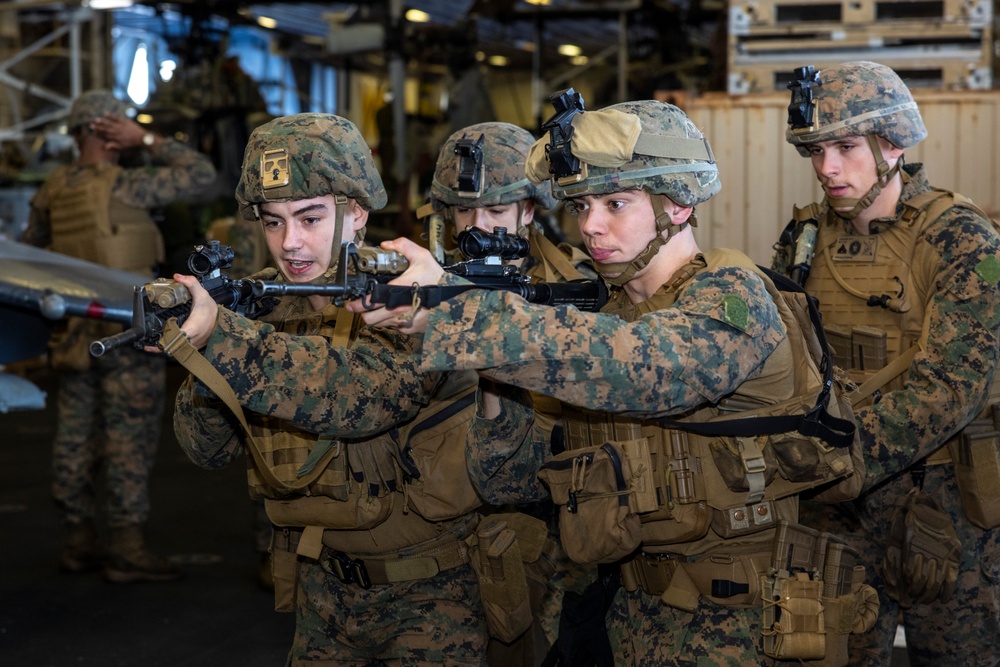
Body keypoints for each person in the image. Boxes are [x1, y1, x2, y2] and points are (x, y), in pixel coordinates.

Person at [353, 99, 874, 665]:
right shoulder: (611, 314)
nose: (591, 225)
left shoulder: (733, 295)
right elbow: (512, 480)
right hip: (633, 617)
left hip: (744, 626)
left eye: (616, 203)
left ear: (675, 205)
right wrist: (493, 385)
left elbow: (647, 371)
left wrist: (462, 319)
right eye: (582, 205)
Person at [169, 113, 491, 665]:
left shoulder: (411, 300)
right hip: (322, 594)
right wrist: (195, 350)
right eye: (272, 222)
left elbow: (358, 397)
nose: (290, 243)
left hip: (431, 599)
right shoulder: (267, 309)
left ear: (357, 211)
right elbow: (205, 448)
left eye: (310, 217)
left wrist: (223, 339)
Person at [771, 61, 1000, 666]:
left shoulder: (964, 240)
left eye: (845, 147)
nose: (827, 168)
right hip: (837, 508)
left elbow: (952, 386)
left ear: (892, 145)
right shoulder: (804, 238)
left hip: (946, 504)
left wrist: (841, 454)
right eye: (817, 151)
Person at [420, 121, 599, 666]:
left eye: (497, 212)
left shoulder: (582, 284)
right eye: (465, 212)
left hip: (558, 537)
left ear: (528, 209)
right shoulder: (420, 290)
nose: (479, 227)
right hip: (445, 544)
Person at [23, 89, 217, 583]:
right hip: (129, 329)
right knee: (129, 436)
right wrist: (148, 139)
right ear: (109, 131)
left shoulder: (53, 189)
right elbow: (203, 176)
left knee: (75, 435)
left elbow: (33, 254)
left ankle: (77, 540)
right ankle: (126, 548)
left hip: (74, 330)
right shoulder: (130, 186)